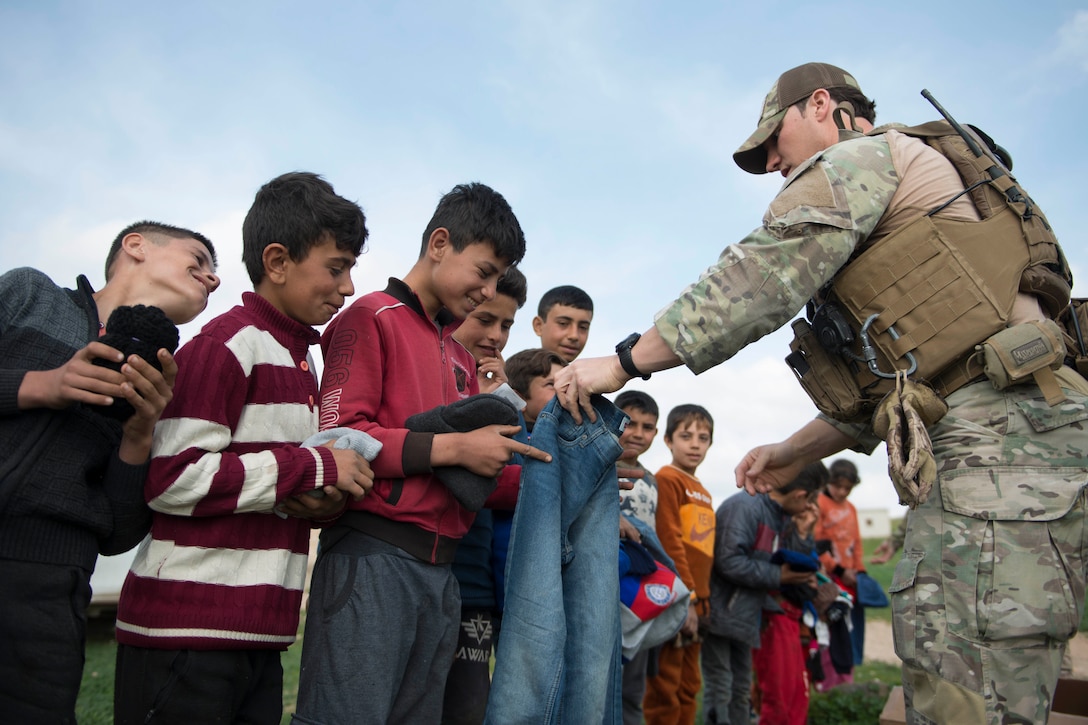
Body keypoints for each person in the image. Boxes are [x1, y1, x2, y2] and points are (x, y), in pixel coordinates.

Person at [556, 61, 1087, 724]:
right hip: (1024, 441)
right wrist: (787, 449)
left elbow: (761, 276)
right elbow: (912, 385)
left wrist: (627, 360)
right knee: (998, 677)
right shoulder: (925, 192)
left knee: (965, 682)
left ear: (821, 106)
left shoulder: (864, 157)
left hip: (996, 451)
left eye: (774, 139)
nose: (774, 160)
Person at [112, 172, 374, 723]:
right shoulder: (227, 344)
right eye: (336, 267)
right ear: (277, 262)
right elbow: (175, 478)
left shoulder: (303, 360)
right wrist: (314, 465)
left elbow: (266, 483)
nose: (348, 286)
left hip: (258, 633)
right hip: (184, 633)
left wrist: (321, 495)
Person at [293, 182, 549, 725]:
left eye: (496, 281)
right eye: (482, 272)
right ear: (439, 243)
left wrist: (566, 475)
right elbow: (342, 437)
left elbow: (484, 471)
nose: (486, 292)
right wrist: (455, 445)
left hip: (442, 572)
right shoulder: (371, 317)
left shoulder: (458, 352)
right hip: (373, 558)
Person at [0, 220, 219, 721]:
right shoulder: (30, 294)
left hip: (52, 587)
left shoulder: (165, 378)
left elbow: (119, 532)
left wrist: (141, 433)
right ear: (136, 246)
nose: (213, 280)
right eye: (200, 260)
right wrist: (45, 384)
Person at [443, 266, 528, 725]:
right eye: (484, 319)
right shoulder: (431, 383)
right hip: (424, 572)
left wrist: (497, 399)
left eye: (507, 324)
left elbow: (516, 466)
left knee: (468, 705)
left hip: (475, 585)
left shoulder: (505, 399)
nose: (496, 335)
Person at [702, 462, 821, 725]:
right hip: (722, 613)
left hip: (747, 616)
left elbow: (798, 561)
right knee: (721, 686)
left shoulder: (781, 515)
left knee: (741, 688)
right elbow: (729, 561)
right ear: (801, 495)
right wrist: (778, 576)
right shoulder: (745, 507)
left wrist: (804, 532)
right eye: (811, 500)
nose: (810, 508)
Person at [645, 403, 715, 725]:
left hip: (699, 602)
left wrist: (701, 600)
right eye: (686, 436)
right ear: (669, 441)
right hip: (677, 598)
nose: (695, 444)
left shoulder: (703, 491)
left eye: (703, 437)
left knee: (690, 685)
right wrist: (686, 595)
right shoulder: (668, 478)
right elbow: (670, 540)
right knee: (665, 687)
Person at [613, 389, 661, 725]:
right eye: (630, 424)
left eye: (648, 427)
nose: (638, 434)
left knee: (633, 688)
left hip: (640, 593)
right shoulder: (601, 465)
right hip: (607, 585)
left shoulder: (652, 480)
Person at [814, 458, 866, 676]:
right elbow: (817, 543)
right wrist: (839, 571)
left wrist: (858, 570)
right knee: (831, 627)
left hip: (851, 577)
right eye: (838, 486)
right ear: (828, 482)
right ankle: (828, 677)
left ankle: (847, 671)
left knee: (851, 627)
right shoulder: (819, 502)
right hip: (830, 575)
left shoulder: (851, 508)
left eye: (848, 488)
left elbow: (856, 542)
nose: (843, 492)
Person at [532, 284, 593, 363]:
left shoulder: (596, 374)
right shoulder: (516, 373)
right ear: (539, 326)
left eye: (583, 327)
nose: (574, 336)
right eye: (563, 323)